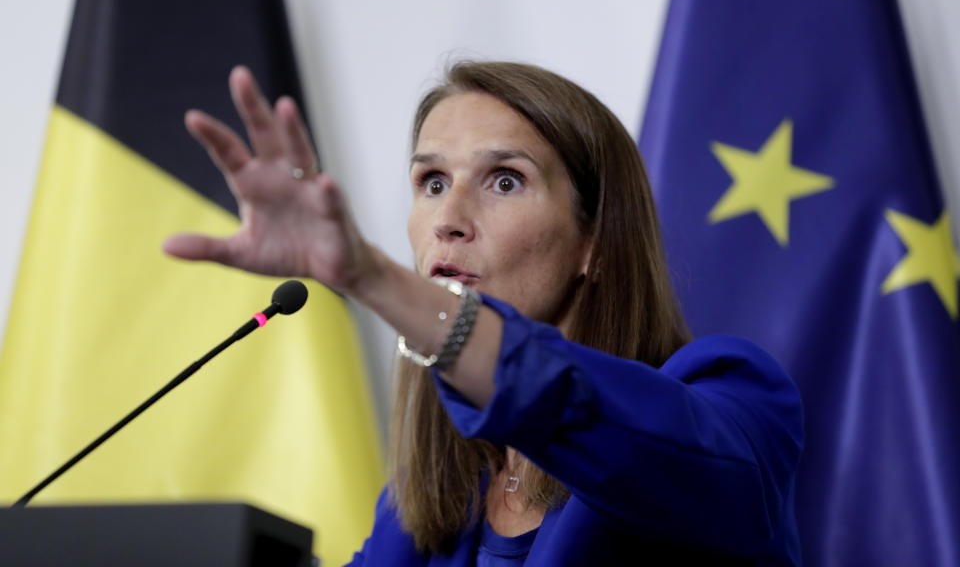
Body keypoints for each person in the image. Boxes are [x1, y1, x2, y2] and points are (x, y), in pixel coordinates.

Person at [164, 61, 803, 565]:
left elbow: (587, 412)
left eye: (504, 180)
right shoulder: (436, 496)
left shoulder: (736, 399)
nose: (447, 220)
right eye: (432, 183)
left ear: (596, 241)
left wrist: (369, 276)